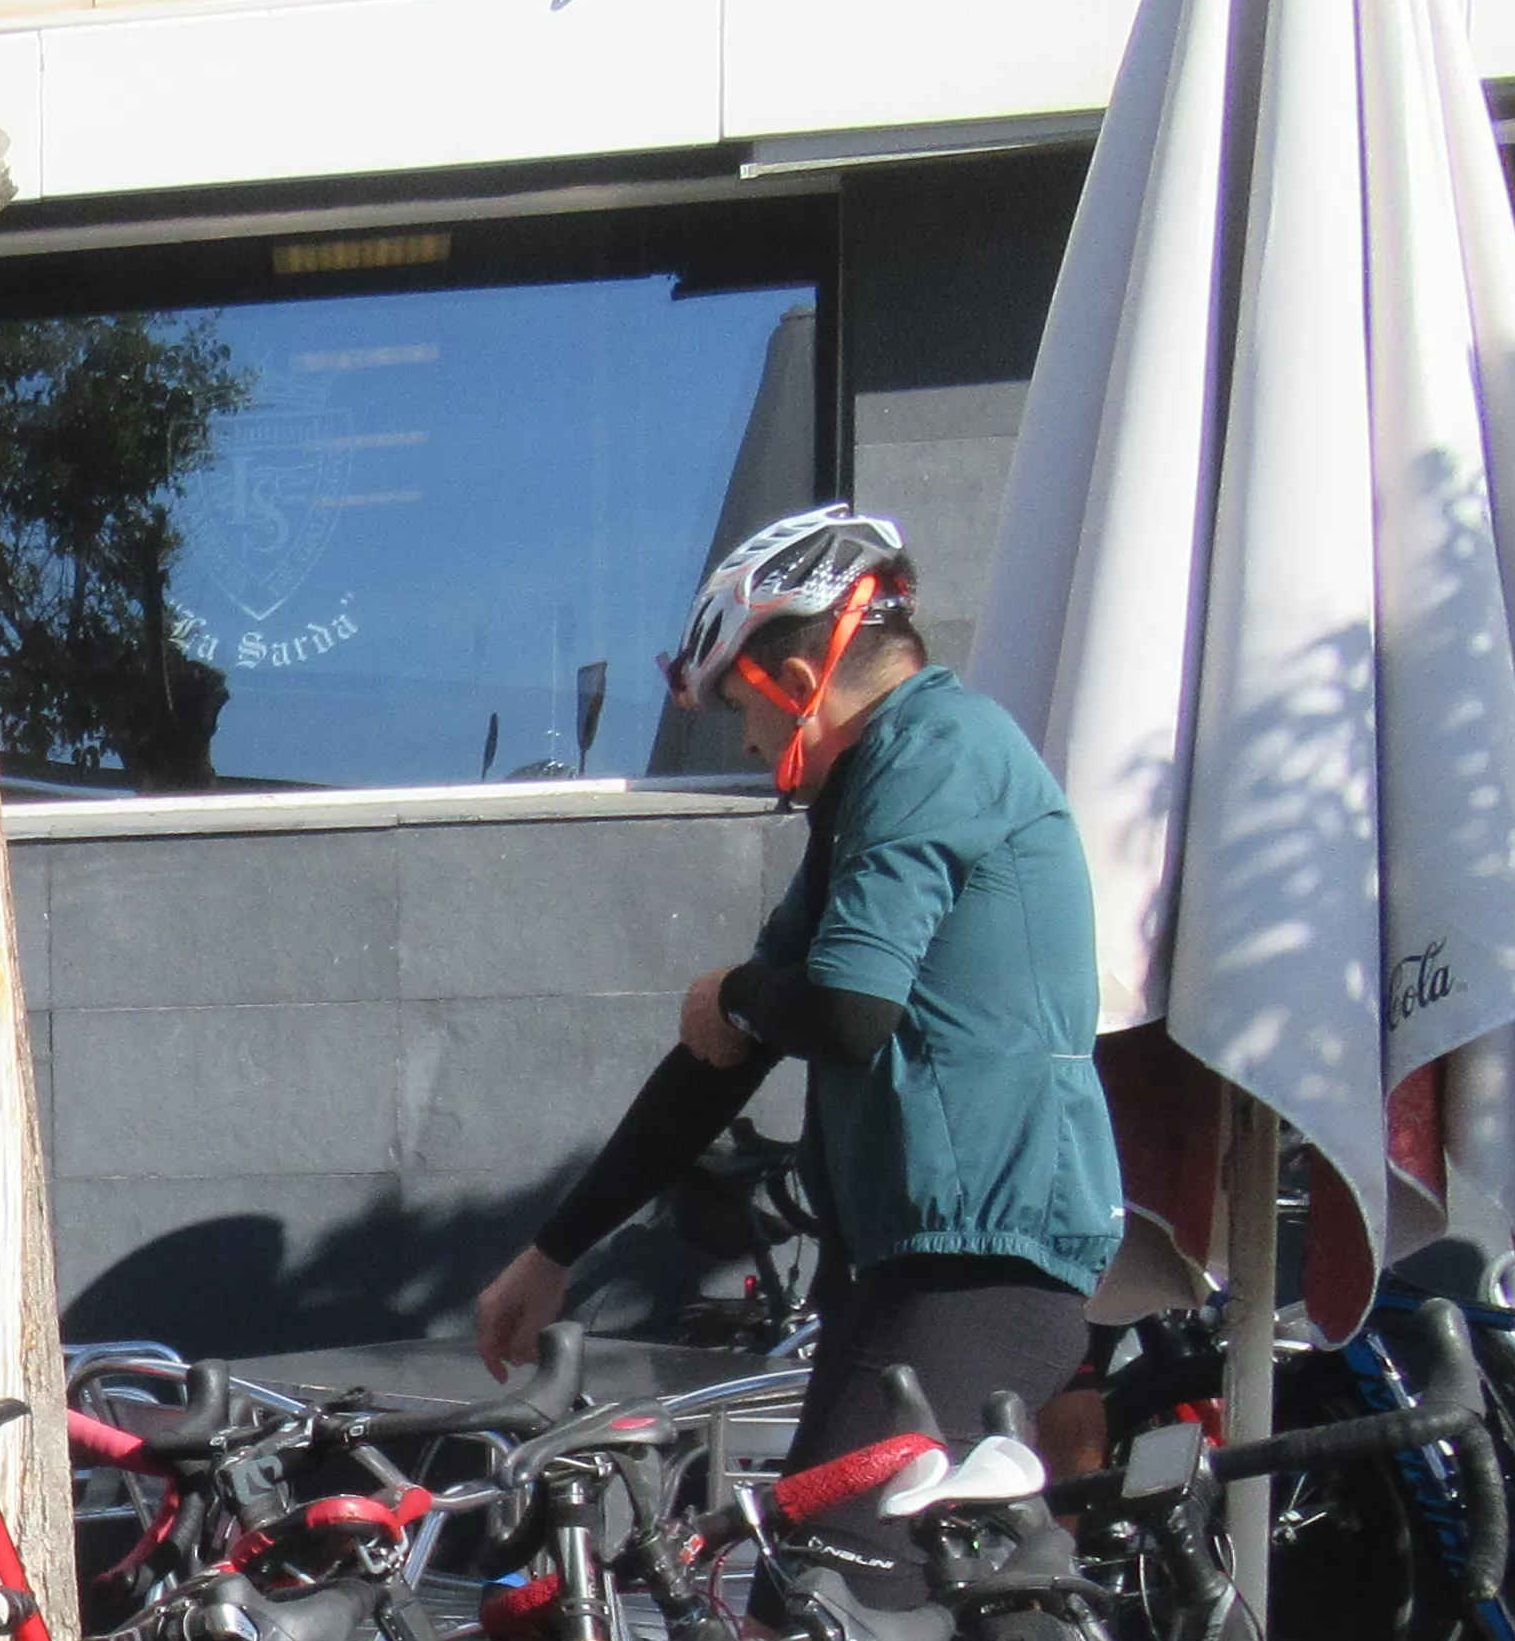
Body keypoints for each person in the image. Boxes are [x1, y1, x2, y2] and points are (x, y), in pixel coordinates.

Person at [473, 508, 1123, 1568]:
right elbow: (721, 1060)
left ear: (796, 679)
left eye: (741, 708)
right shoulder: (875, 788)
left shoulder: (939, 752)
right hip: (911, 1265)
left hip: (976, 1265)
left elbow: (845, 1013)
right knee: (835, 1603)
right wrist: (555, 1250)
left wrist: (737, 992)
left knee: (829, 1595)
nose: (746, 743)